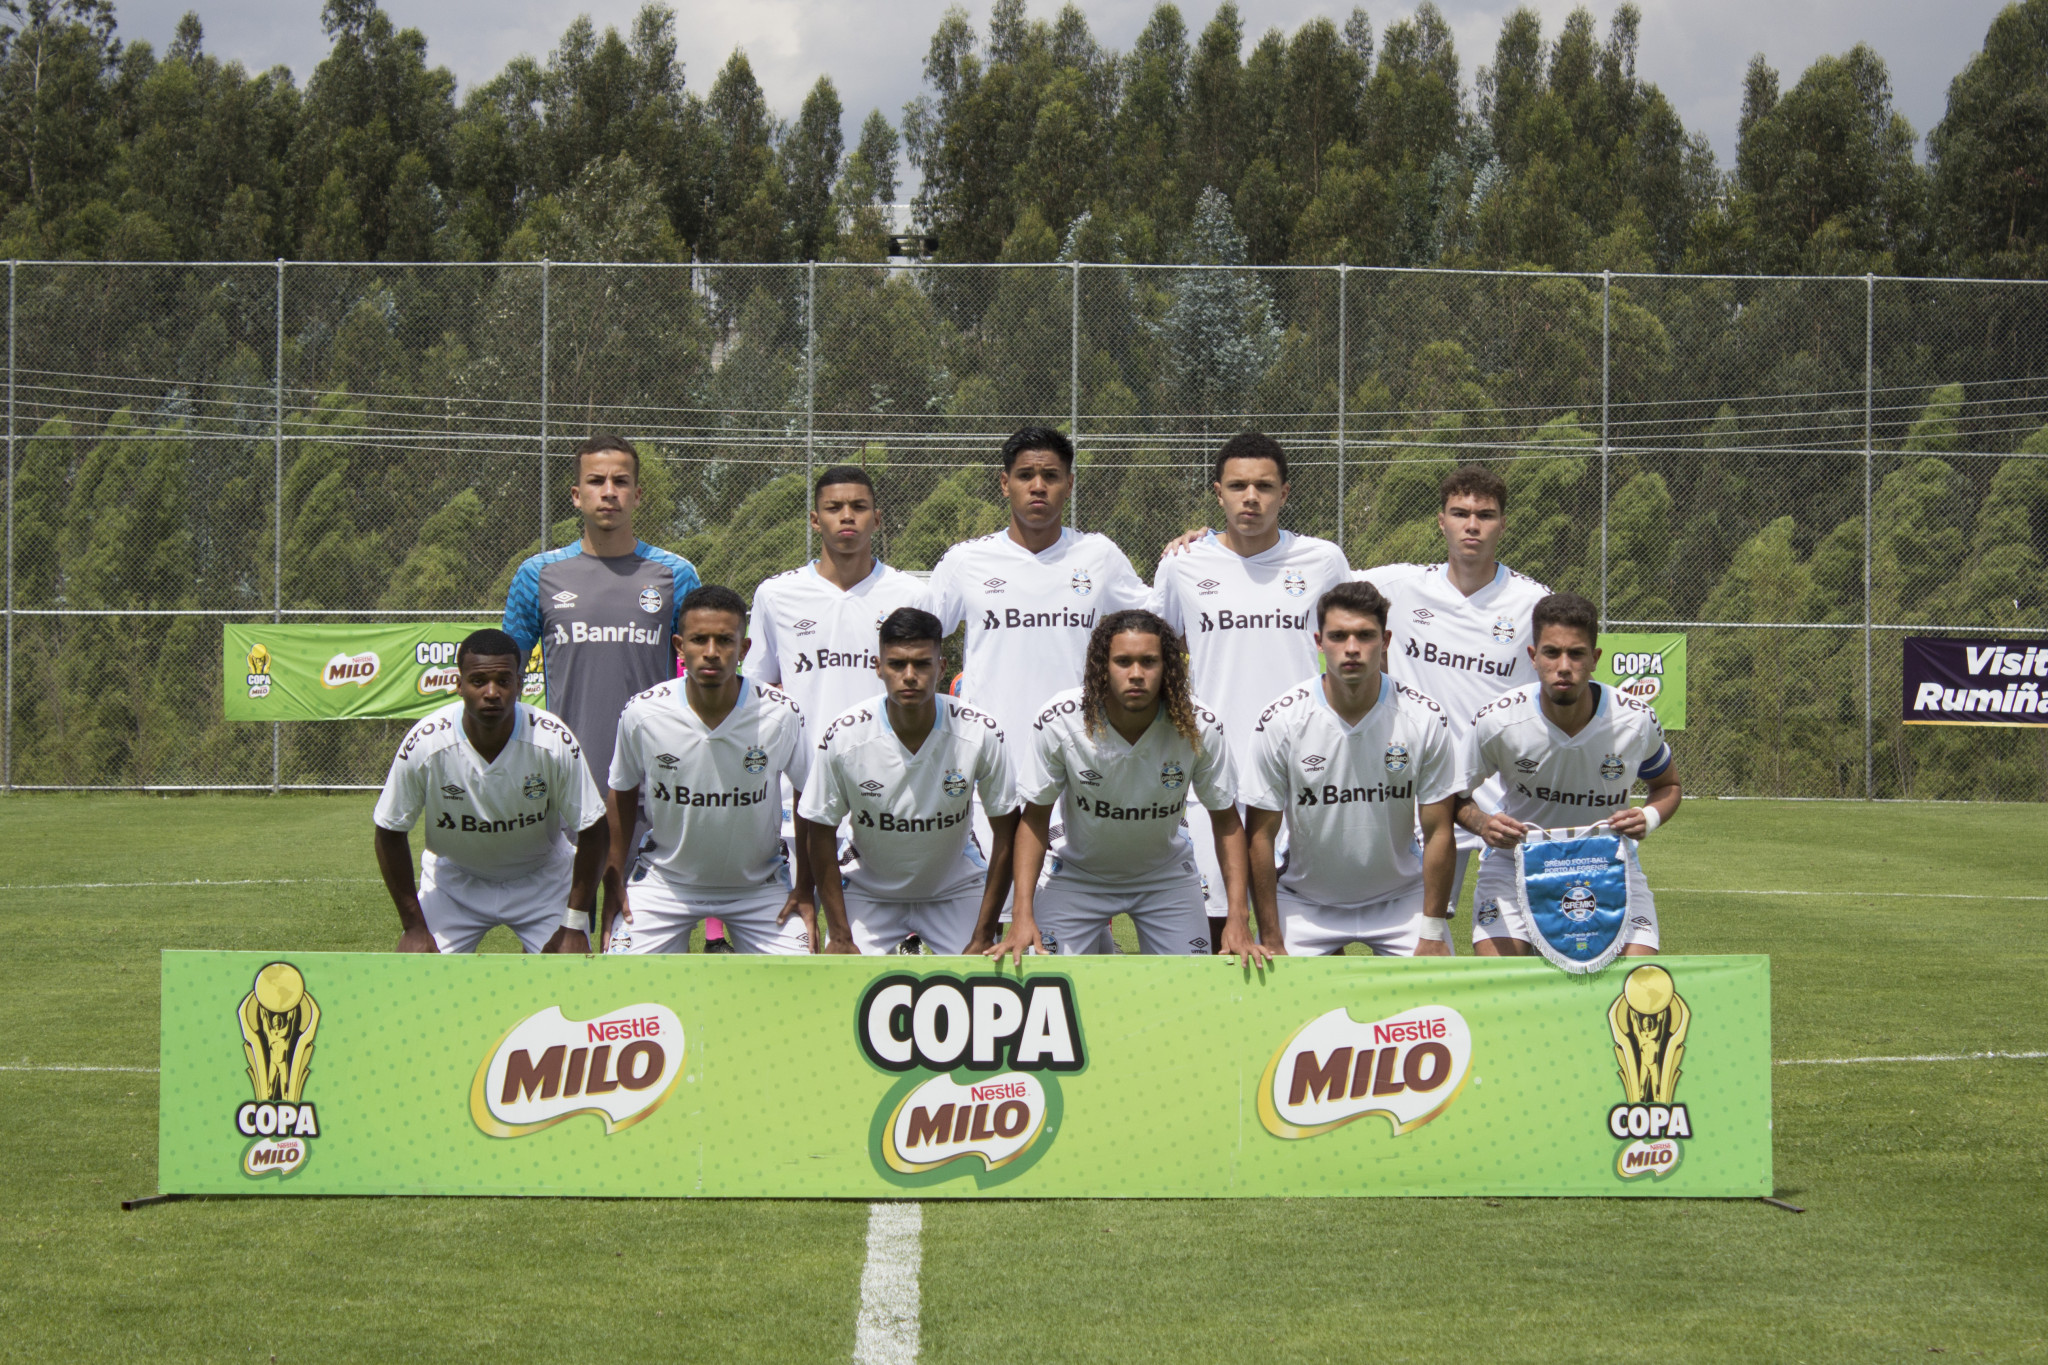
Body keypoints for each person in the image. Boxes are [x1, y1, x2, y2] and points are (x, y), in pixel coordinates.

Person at [928, 425, 1149, 949]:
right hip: (993, 763)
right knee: (997, 920)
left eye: (1050, 476)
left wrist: (1197, 548)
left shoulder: (1098, 556)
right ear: (1004, 484)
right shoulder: (967, 561)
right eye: (1025, 475)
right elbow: (914, 635)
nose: (1038, 486)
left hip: (1083, 762)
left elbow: (1158, 617)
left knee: (1073, 922)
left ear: (1069, 484)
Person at [1149, 430, 1351, 948]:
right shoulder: (1182, 564)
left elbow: (1356, 648)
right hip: (1215, 770)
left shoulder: (1323, 561)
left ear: (1285, 493)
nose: (1251, 498)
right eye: (1238, 486)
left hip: (1310, 768)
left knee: (1313, 930)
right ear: (1218, 493)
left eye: (1264, 486)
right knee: (1220, 925)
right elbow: (1156, 654)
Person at [1354, 465, 1550, 935]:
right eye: (1460, 513)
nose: (1472, 524)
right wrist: (1218, 540)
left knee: (1515, 943)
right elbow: (1300, 568)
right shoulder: (1399, 588)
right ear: (1441, 521)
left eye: (1485, 514)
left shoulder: (1533, 604)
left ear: (1503, 523)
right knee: (1415, 933)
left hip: (1500, 804)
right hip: (1415, 795)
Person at [990, 610, 1247, 962]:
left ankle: (1101, 943)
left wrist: (1238, 917)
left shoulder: (1199, 724)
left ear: (1168, 665)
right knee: (1044, 979)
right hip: (1078, 875)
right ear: (1102, 665)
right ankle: (1097, 941)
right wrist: (1022, 915)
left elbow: (1226, 820)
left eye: (1149, 661)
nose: (1137, 674)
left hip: (1164, 878)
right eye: (1123, 661)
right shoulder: (1061, 720)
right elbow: (1034, 820)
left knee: (1189, 991)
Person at [1235, 582, 1466, 963]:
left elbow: (1439, 830)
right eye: (1339, 636)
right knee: (1275, 1007)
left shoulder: (1424, 717)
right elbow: (1260, 836)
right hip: (1306, 903)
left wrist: (1432, 931)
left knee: (1436, 1004)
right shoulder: (1281, 721)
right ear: (1319, 641)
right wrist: (1272, 934)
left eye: (1365, 635)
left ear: (1386, 640)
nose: (1353, 648)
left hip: (1400, 900)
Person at [1459, 591, 1683, 957]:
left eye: (1576, 653)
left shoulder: (1635, 720)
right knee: (1499, 981)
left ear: (1594, 658)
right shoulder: (1498, 721)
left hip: (1608, 864)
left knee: (1638, 984)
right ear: (1533, 657)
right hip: (1514, 863)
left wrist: (1649, 816)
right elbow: (1451, 795)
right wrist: (1483, 824)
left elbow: (1668, 785)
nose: (1564, 665)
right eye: (1551, 652)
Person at [605, 585, 817, 954]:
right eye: (699, 639)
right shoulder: (642, 714)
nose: (711, 652)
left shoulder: (781, 714)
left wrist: (804, 888)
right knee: (621, 980)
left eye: (724, 640)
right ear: (678, 646)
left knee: (800, 982)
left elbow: (810, 799)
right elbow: (621, 792)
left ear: (744, 649)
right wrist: (613, 882)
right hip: (665, 883)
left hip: (760, 885)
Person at [371, 629, 607, 954]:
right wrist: (413, 925)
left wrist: (574, 922)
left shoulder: (553, 740)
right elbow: (389, 831)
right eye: (479, 680)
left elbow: (594, 829)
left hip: (542, 879)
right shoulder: (425, 743)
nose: (492, 692)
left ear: (520, 685)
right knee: (420, 974)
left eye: (504, 680)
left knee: (566, 976)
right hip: (455, 882)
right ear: (459, 684)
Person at [800, 608, 1019, 955]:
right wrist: (840, 935)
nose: (910, 675)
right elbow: (820, 830)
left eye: (922, 663)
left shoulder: (980, 731)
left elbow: (1008, 833)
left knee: (982, 985)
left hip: (955, 887)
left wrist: (984, 933)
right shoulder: (845, 735)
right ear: (878, 667)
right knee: (845, 990)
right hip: (870, 891)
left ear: (942, 667)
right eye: (897, 664)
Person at [503, 432, 700, 793]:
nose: (609, 491)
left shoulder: (677, 575)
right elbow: (503, 674)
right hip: (566, 777)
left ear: (637, 496)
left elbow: (701, 676)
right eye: (596, 481)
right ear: (577, 496)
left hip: (657, 778)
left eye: (621, 481)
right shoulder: (536, 574)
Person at [745, 465, 930, 722]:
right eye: (833, 508)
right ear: (815, 520)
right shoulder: (775, 595)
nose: (847, 516)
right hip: (803, 760)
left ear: (877, 519)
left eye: (859, 506)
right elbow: (758, 687)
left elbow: (923, 685)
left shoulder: (912, 595)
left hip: (883, 759)